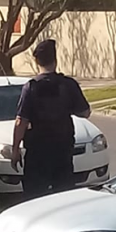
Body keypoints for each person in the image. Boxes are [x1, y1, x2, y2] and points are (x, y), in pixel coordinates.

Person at [11, 39, 91, 200]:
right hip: (62, 152)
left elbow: (21, 121)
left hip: (37, 154)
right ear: (55, 60)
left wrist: (15, 150)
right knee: (63, 199)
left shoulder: (31, 87)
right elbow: (85, 112)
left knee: (34, 199)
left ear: (36, 61)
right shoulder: (68, 85)